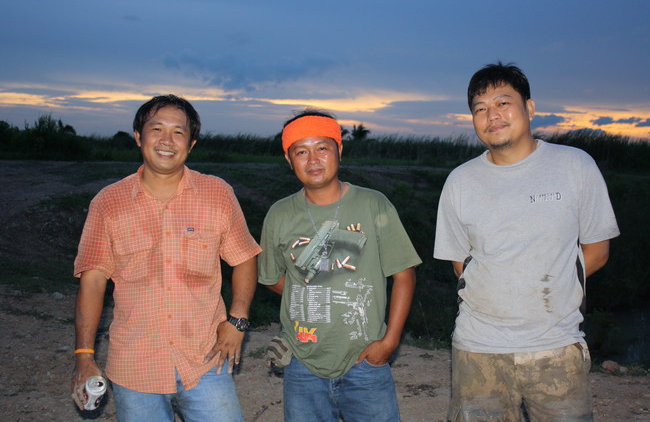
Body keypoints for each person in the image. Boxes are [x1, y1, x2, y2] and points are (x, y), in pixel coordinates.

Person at [434, 63, 620, 422]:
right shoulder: (460, 181)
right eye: (480, 109)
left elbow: (596, 252)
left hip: (557, 347)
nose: (492, 116)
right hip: (477, 350)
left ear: (530, 108)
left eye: (503, 103)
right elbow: (461, 264)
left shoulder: (575, 166)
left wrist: (550, 287)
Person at [71, 95, 261, 422]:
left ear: (191, 143)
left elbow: (244, 257)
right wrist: (84, 356)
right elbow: (93, 281)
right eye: (156, 129)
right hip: (135, 365)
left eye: (178, 132)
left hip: (205, 360)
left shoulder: (217, 194)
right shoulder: (108, 203)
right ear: (138, 136)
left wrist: (238, 320)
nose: (166, 141)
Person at [258, 109, 421, 421]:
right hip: (302, 360)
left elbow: (404, 274)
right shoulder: (279, 214)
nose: (313, 159)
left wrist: (389, 342)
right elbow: (271, 277)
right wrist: (314, 291)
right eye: (301, 151)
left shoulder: (373, 204)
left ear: (339, 150)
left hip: (366, 359)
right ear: (289, 160)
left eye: (322, 148)